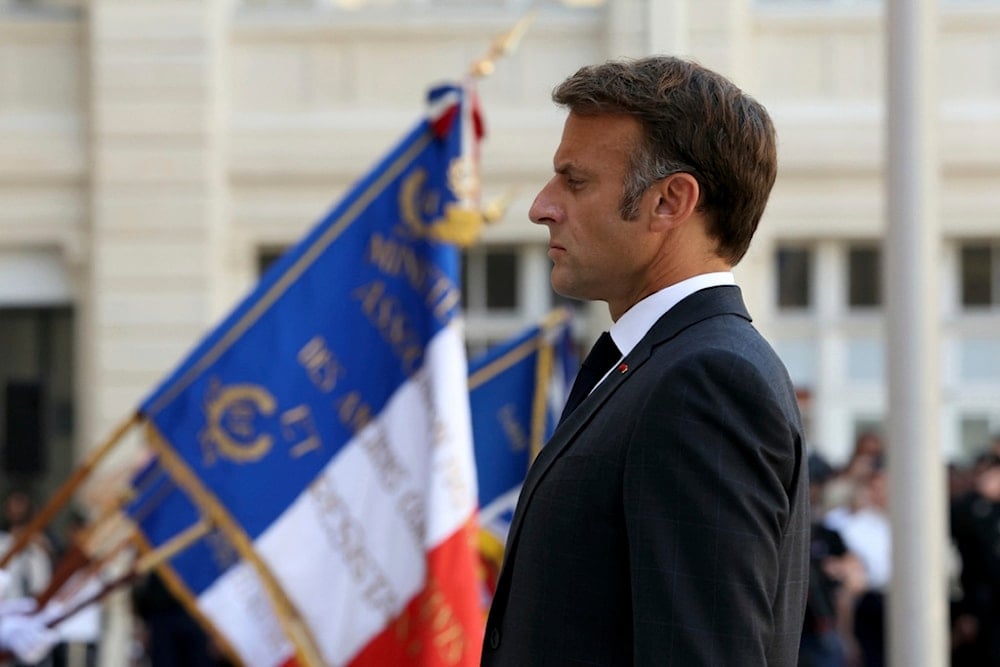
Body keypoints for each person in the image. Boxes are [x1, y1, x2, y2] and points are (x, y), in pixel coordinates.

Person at [481, 56, 810, 666]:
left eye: (575, 182)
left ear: (670, 202)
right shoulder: (662, 366)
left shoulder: (706, 381)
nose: (541, 207)